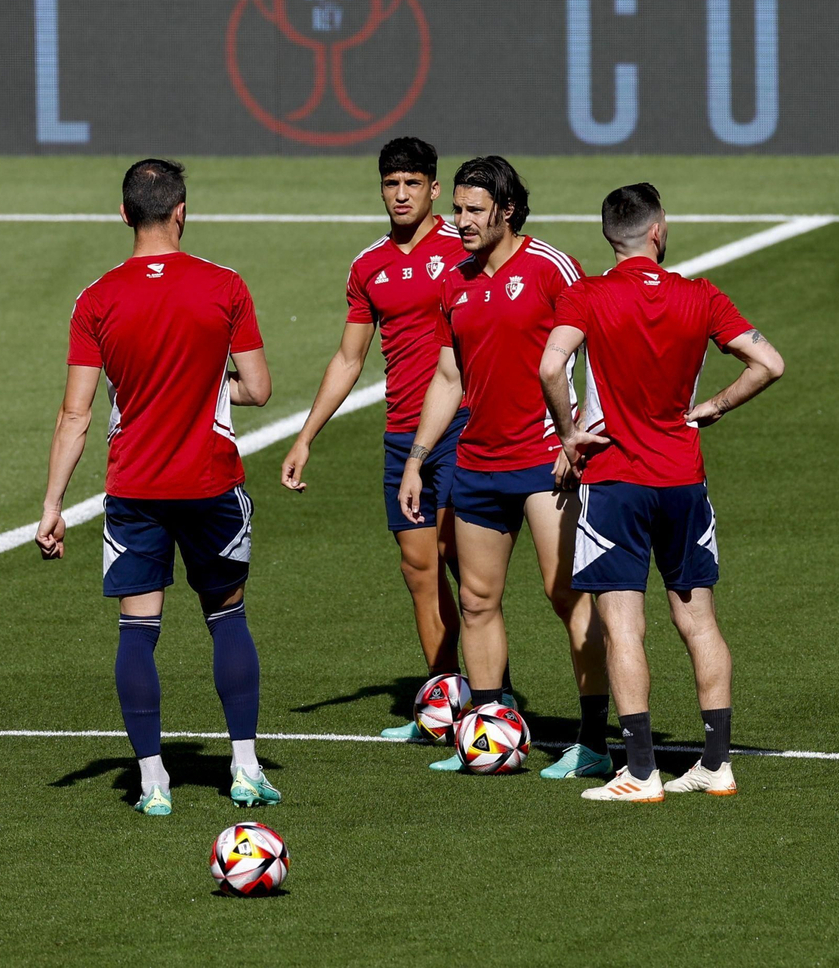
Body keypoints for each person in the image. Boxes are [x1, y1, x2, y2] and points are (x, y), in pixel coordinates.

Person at [36, 158, 281, 816]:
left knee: (137, 628)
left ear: (123, 214)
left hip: (135, 486)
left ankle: (151, 780)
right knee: (226, 615)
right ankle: (246, 768)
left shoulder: (96, 298)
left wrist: (54, 504)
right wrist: (210, 386)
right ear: (182, 211)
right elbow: (257, 388)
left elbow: (76, 414)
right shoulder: (225, 285)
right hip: (210, 481)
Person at [539, 182, 785, 803]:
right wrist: (715, 407)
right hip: (683, 478)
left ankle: (642, 771)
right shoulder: (699, 295)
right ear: (658, 229)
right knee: (698, 621)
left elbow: (549, 366)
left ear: (608, 236)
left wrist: (570, 436)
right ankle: (716, 764)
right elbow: (769, 364)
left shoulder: (587, 294)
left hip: (615, 481)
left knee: (623, 624)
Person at [400, 156, 612, 778]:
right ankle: (488, 733)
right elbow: (448, 375)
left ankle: (595, 743)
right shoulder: (454, 281)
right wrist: (417, 459)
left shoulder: (551, 267)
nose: (458, 221)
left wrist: (583, 431)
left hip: (547, 462)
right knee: (476, 601)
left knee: (567, 595)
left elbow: (597, 347)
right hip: (477, 463)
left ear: (507, 210)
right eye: (457, 209)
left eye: (472, 211)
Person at [281, 136, 499, 740]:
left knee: (464, 562)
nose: (400, 194)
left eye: (412, 183)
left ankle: (491, 705)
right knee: (418, 568)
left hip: (464, 426)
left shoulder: (466, 247)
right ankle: (445, 698)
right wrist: (306, 438)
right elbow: (349, 360)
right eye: (389, 184)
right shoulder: (367, 266)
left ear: (434, 188)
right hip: (402, 435)